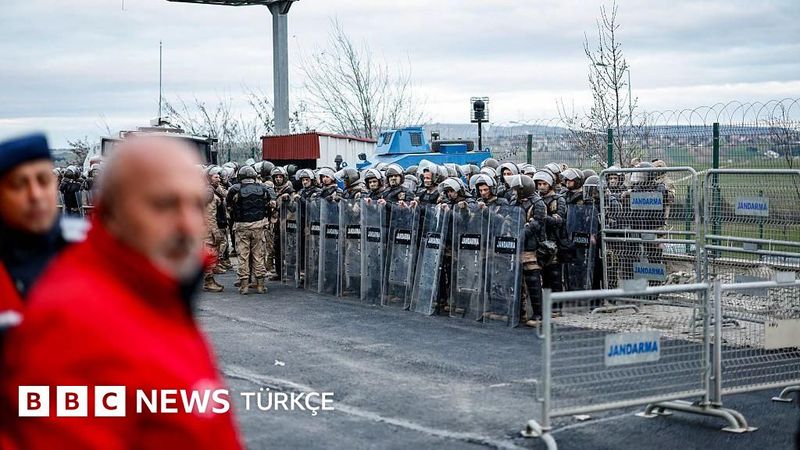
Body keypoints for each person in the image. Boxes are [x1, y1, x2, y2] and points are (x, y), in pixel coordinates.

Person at [0, 135, 242, 449]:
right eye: (164, 204)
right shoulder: (71, 322)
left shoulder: (162, 291)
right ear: (111, 212)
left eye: (196, 204)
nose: (187, 224)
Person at [227, 165, 272, 295]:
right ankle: (260, 286)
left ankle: (244, 286)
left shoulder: (235, 188)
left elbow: (228, 204)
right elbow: (271, 200)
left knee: (243, 256)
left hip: (241, 227)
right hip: (258, 226)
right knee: (259, 256)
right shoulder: (263, 188)